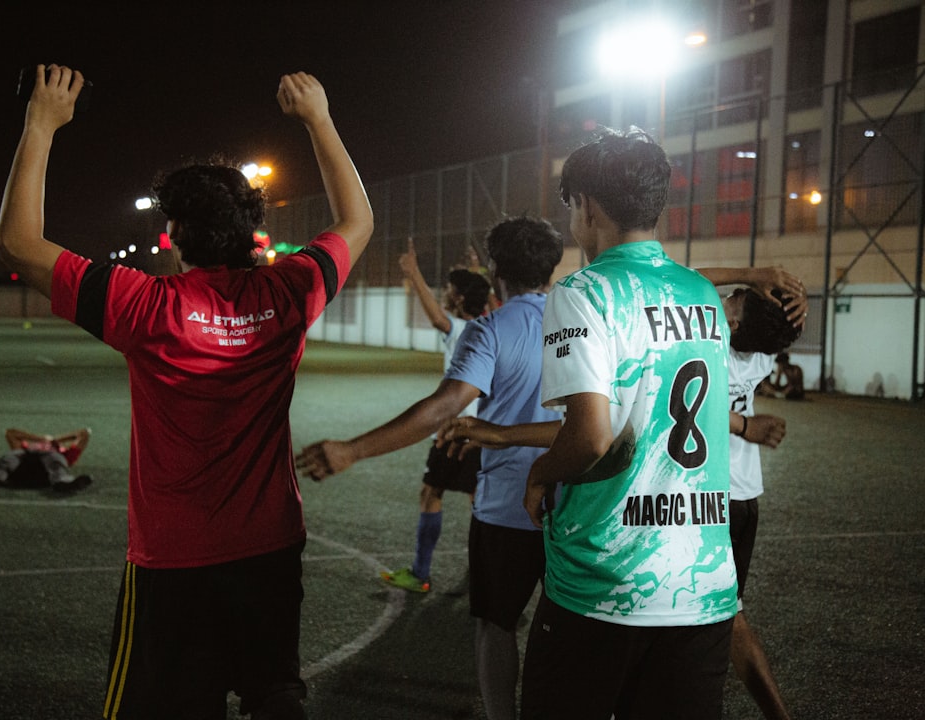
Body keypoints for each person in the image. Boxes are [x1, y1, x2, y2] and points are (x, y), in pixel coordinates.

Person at [0, 65, 372, 720]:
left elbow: (17, 244)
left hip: (175, 561)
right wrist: (319, 118)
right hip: (270, 547)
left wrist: (41, 123)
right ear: (250, 229)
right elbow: (358, 219)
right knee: (275, 692)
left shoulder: (143, 304)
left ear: (175, 236)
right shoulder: (289, 292)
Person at [297, 215, 564, 720]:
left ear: (494, 267)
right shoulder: (585, 323)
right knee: (571, 627)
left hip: (508, 507)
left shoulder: (490, 329)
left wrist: (354, 450)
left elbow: (445, 407)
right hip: (579, 504)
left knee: (496, 624)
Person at [516, 127, 738, 719]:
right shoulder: (703, 294)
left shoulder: (583, 293)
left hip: (605, 581)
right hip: (701, 584)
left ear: (585, 205)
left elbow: (591, 436)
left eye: (570, 206)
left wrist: (539, 472)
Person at [379, 238, 491, 593]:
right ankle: (484, 576)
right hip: (483, 431)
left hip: (453, 430)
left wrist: (413, 274)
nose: (444, 293)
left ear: (458, 298)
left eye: (449, 289)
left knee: (431, 493)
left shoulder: (461, 330)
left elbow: (438, 317)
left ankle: (420, 573)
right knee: (480, 503)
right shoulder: (489, 326)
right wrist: (475, 272)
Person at [720, 285, 803, 720]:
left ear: (732, 323)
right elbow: (775, 318)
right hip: (746, 494)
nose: (727, 293)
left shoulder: (711, 345)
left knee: (724, 620)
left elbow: (687, 402)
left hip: (716, 500)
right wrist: (795, 300)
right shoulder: (763, 351)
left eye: (735, 297)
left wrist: (742, 424)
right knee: (724, 615)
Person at [0, 427, 92, 492]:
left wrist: (55, 441)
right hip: (21, 470)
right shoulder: (25, 448)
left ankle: (62, 482)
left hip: (43, 474)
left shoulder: (63, 452)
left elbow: (85, 433)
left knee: (55, 458)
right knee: (10, 457)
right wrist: (41, 438)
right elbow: (10, 432)